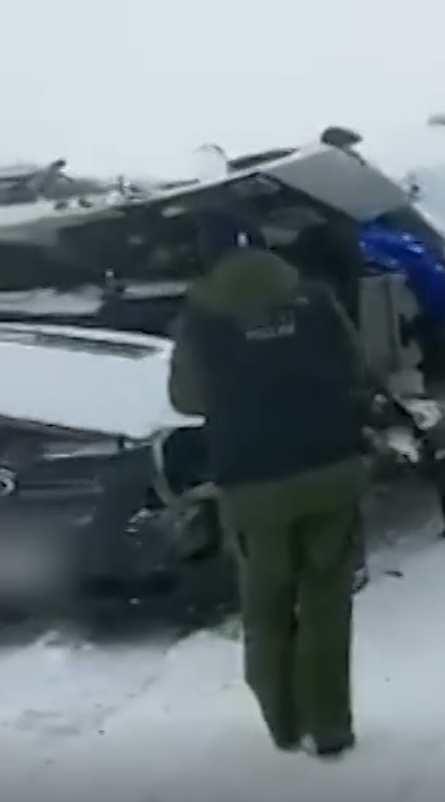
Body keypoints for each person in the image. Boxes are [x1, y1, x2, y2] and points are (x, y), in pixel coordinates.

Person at [167, 212, 369, 761]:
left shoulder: (200, 317)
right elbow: (357, 368)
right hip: (332, 470)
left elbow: (186, 399)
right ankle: (331, 730)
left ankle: (284, 725)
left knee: (266, 607)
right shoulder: (316, 299)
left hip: (255, 484)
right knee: (327, 602)